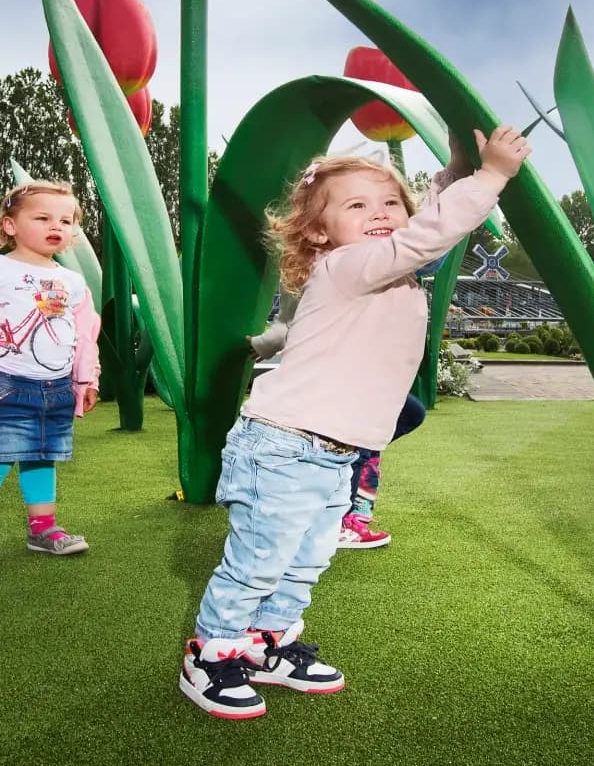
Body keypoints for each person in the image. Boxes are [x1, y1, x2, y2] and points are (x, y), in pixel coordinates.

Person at [180, 126, 530, 719]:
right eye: (358, 205)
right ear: (320, 233)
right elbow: (425, 238)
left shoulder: (393, 270)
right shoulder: (346, 267)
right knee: (260, 560)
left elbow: (433, 234)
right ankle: (211, 653)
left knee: (307, 559)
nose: (381, 214)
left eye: (391, 202)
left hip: (334, 454)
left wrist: (456, 173)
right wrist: (492, 177)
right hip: (283, 445)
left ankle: (270, 642)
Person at [0, 180, 100, 566]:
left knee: (42, 456)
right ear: (10, 225)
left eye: (66, 220)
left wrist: (86, 378)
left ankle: (43, 529)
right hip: (5, 384)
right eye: (43, 217)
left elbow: (85, 334)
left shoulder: (74, 282)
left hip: (58, 387)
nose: (56, 226)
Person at [249, 305, 431, 550]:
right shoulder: (340, 275)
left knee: (407, 416)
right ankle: (337, 523)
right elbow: (288, 320)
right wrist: (266, 342)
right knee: (359, 443)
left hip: (364, 369)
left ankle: (340, 509)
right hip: (342, 369)